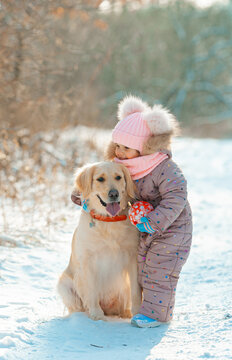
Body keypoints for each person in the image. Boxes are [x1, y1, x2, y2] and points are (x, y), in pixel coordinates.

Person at [72, 95, 192, 328]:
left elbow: (176, 198)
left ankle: (155, 315)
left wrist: (155, 221)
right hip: (146, 227)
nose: (120, 151)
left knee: (159, 271)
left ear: (144, 148)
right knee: (144, 269)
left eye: (126, 147)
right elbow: (92, 183)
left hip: (172, 229)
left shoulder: (164, 168)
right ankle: (141, 308)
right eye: (117, 145)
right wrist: (80, 197)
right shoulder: (125, 164)